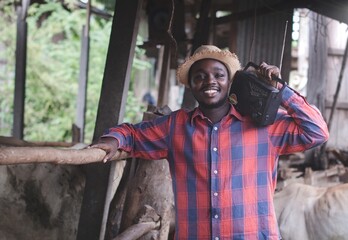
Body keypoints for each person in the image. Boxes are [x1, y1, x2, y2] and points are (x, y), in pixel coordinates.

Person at [91, 45, 329, 239]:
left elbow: (317, 131)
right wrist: (112, 141)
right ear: (191, 84)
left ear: (230, 82)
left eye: (218, 75)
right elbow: (131, 134)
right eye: (200, 76)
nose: (209, 81)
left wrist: (279, 88)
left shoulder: (265, 126)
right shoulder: (175, 127)